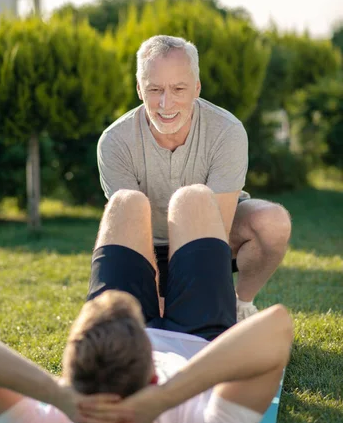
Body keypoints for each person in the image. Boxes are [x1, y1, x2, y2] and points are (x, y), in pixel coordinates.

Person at [0, 186, 293, 423]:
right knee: (193, 198)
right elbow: (278, 327)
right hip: (199, 339)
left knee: (127, 200)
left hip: (113, 335)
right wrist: (167, 397)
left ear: (71, 381)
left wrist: (55, 395)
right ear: (154, 379)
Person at [98, 35, 292, 321]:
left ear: (197, 88)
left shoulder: (227, 131)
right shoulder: (115, 141)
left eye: (178, 88)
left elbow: (218, 229)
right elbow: (130, 227)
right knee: (140, 322)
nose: (166, 103)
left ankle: (241, 304)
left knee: (272, 221)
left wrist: (208, 297)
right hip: (148, 242)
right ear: (139, 89)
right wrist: (158, 307)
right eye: (155, 89)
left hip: (209, 235)